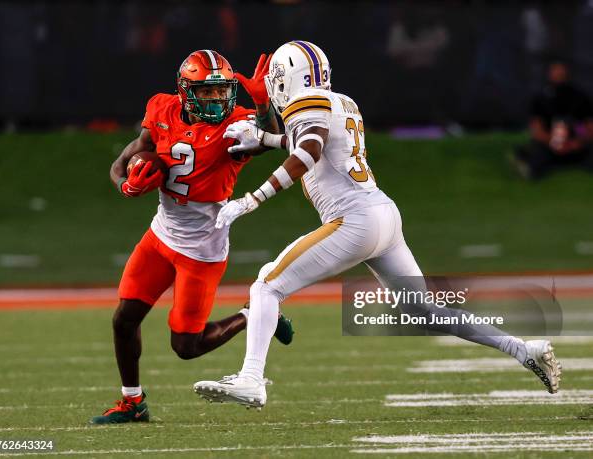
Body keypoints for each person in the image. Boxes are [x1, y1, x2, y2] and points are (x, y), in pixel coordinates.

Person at [192, 41, 562, 408]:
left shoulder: (308, 103)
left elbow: (308, 151)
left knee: (266, 285)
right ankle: (522, 348)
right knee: (427, 312)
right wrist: (264, 136)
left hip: (354, 220)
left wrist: (251, 200)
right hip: (383, 215)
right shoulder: (341, 101)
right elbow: (305, 139)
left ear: (287, 78)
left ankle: (252, 379)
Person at [91, 50, 294, 424]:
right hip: (160, 235)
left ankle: (254, 315)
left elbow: (272, 138)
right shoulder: (162, 109)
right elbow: (128, 158)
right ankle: (132, 403)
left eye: (222, 92)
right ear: (185, 91)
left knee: (186, 346)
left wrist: (262, 101)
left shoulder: (236, 124)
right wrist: (126, 186)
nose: (218, 101)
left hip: (202, 247)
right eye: (208, 92)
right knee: (124, 319)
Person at [513, 60, 593, 179]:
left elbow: (586, 125)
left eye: (561, 73)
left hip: (575, 145)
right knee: (538, 157)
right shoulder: (540, 99)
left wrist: (576, 142)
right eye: (555, 72)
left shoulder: (579, 97)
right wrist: (554, 143)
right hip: (549, 144)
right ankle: (528, 161)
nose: (558, 76)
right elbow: (537, 130)